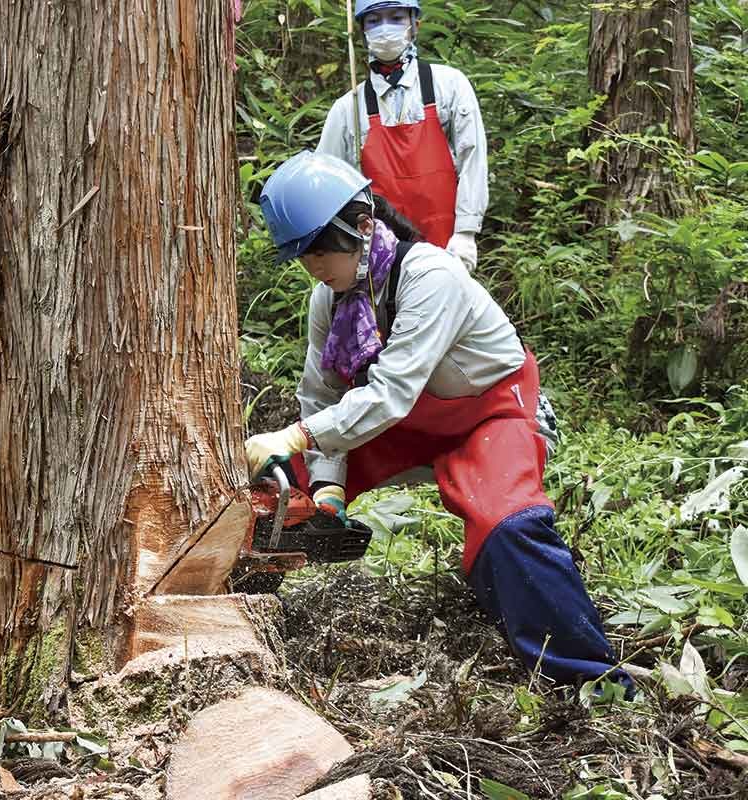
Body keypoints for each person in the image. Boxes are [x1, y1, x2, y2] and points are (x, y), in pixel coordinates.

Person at [246, 151, 630, 694]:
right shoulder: (328, 301)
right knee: (283, 489)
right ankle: (240, 609)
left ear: (360, 226)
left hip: (488, 410)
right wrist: (327, 485)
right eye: (300, 256)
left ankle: (585, 678)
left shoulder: (431, 275)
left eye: (318, 250)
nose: (312, 266)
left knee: (506, 522)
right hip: (407, 414)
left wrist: (298, 435)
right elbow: (323, 396)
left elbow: (389, 392)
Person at [317, 0, 486, 271]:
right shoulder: (349, 107)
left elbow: (473, 159)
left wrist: (466, 231)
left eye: (396, 17)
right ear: (362, 31)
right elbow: (325, 186)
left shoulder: (450, 85)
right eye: (374, 21)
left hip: (446, 246)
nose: (385, 28)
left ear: (415, 24)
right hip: (379, 253)